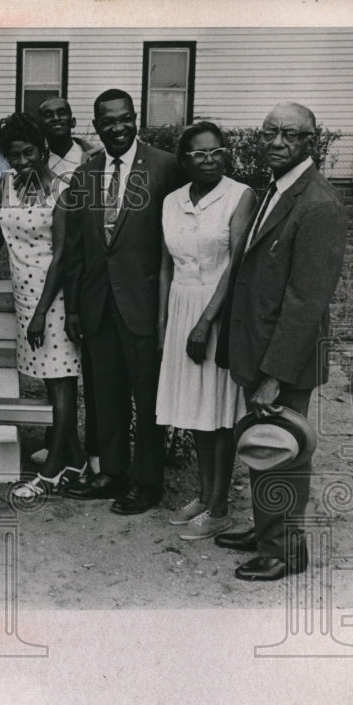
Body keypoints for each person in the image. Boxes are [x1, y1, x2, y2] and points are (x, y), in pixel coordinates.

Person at [214, 102, 347, 581]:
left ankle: (285, 550)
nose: (276, 142)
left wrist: (273, 375)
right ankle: (267, 528)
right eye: (269, 132)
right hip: (260, 348)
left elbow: (305, 302)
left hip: (284, 359)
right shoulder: (277, 187)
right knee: (263, 443)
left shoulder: (318, 204)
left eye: (289, 135)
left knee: (285, 450)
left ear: (311, 142)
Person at [61, 89, 185, 514]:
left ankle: (148, 482)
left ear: (136, 119)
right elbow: (76, 248)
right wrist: (74, 307)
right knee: (105, 395)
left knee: (148, 398)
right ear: (95, 126)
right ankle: (112, 474)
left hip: (145, 304)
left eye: (124, 118)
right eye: (108, 121)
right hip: (98, 305)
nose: (117, 127)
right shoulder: (86, 174)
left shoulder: (166, 167)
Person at [156, 122, 256, 540]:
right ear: (184, 160)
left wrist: (204, 323)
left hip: (219, 310)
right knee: (196, 409)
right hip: (181, 306)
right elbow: (165, 267)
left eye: (217, 151)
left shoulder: (239, 196)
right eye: (199, 153)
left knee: (219, 409)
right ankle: (203, 495)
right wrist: (165, 326)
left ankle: (219, 508)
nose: (209, 159)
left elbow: (236, 266)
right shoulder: (172, 201)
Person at [0, 112, 87, 499]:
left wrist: (42, 313)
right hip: (23, 296)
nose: (22, 161)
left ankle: (50, 474)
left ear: (43, 149)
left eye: (29, 152)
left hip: (55, 300)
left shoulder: (62, 188)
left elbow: (63, 256)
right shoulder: (7, 186)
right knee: (51, 385)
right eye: (14, 155)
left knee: (62, 385)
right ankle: (76, 460)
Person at [31, 97, 100, 476]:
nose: (56, 119)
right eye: (47, 115)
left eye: (62, 113)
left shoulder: (90, 160)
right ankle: (64, 443)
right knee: (57, 368)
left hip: (88, 272)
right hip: (54, 272)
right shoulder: (38, 165)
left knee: (87, 368)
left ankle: (93, 451)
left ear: (73, 120)